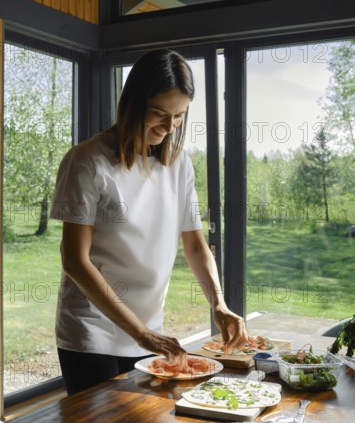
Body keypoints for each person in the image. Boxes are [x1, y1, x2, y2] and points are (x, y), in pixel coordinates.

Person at [50, 48, 247, 395]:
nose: (169, 127)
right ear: (133, 103)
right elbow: (74, 261)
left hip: (149, 332)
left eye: (179, 116)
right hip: (92, 330)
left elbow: (195, 244)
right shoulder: (87, 161)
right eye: (159, 114)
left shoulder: (179, 164)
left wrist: (218, 302)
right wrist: (139, 331)